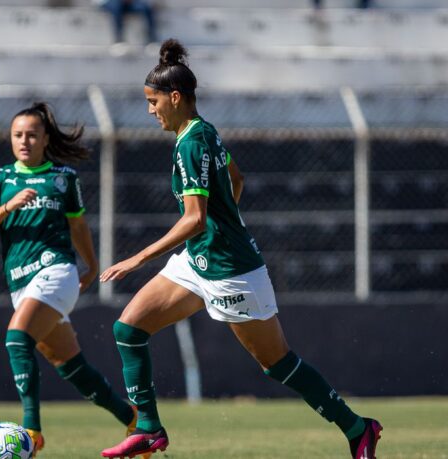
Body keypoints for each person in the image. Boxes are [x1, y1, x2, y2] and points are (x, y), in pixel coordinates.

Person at [98, 39, 383, 459]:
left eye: (153, 102)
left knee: (277, 363)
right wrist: (223, 224)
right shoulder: (204, 131)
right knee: (128, 329)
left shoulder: (191, 144)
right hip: (200, 259)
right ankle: (149, 428)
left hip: (230, 269)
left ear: (174, 98)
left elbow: (194, 219)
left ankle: (358, 428)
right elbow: (237, 179)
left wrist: (138, 259)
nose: (150, 110)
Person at [0, 103, 144, 457]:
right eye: (18, 135)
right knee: (72, 367)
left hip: (57, 271)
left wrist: (91, 266)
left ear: (46, 138)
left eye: (32, 135)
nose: (24, 141)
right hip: (20, 282)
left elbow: (78, 225)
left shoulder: (63, 177)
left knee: (17, 339)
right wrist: (8, 206)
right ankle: (133, 420)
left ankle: (32, 431)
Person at [93, 0, 157, 45]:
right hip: (107, 2)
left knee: (146, 8)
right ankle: (119, 39)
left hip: (130, 2)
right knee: (117, 8)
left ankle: (151, 39)